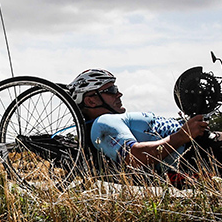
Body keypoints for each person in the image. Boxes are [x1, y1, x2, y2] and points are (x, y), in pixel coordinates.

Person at [70, 69, 209, 171]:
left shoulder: (113, 120)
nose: (119, 94)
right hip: (197, 150)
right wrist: (182, 135)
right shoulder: (103, 122)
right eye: (111, 90)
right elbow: (134, 158)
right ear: (91, 101)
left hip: (199, 145)